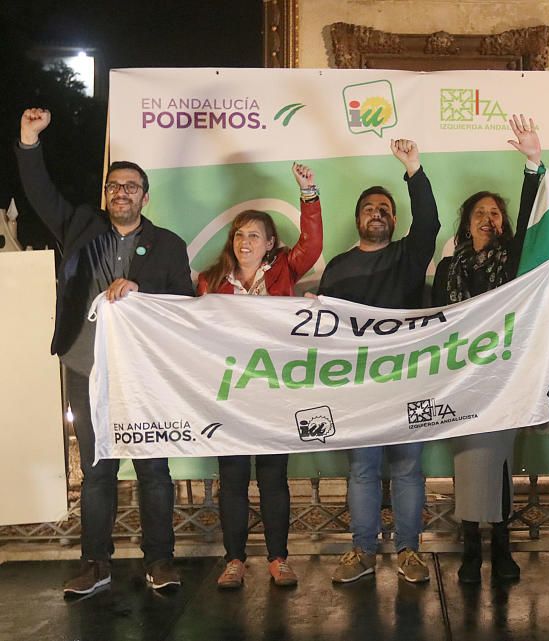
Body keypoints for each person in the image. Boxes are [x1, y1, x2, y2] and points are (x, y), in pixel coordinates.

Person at [15, 107, 194, 595]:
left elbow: (185, 306)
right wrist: (30, 141)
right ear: (106, 194)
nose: (122, 192)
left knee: (155, 470)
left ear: (144, 196)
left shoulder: (168, 246)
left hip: (145, 376)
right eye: (115, 186)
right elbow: (38, 193)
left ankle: (160, 561)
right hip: (86, 366)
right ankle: (95, 563)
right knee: (96, 470)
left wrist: (141, 291)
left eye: (131, 186)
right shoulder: (78, 227)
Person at [318, 139, 440, 584]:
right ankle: (362, 552)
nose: (378, 212)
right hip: (357, 388)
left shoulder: (408, 256)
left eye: (385, 207)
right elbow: (325, 332)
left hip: (407, 382)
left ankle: (409, 550)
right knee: (363, 470)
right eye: (370, 207)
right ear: (358, 218)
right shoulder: (338, 267)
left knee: (408, 469)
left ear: (394, 218)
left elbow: (428, 223)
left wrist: (414, 169)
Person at [198, 162, 323, 589]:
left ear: (270, 243)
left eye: (254, 235)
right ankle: (234, 561)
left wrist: (309, 194)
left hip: (274, 395)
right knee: (232, 479)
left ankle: (278, 559)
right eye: (239, 234)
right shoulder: (210, 281)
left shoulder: (286, 270)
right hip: (230, 395)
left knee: (273, 479)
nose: (245, 241)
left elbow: (312, 244)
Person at [431, 115, 542, 584]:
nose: (488, 220)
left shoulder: (514, 260)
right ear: (467, 223)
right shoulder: (447, 270)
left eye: (496, 213)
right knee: (467, 462)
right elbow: (433, 323)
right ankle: (470, 549)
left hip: (503, 375)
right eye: (480, 214)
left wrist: (533, 166)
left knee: (497, 464)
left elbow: (536, 211)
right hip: (459, 376)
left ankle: (502, 548)